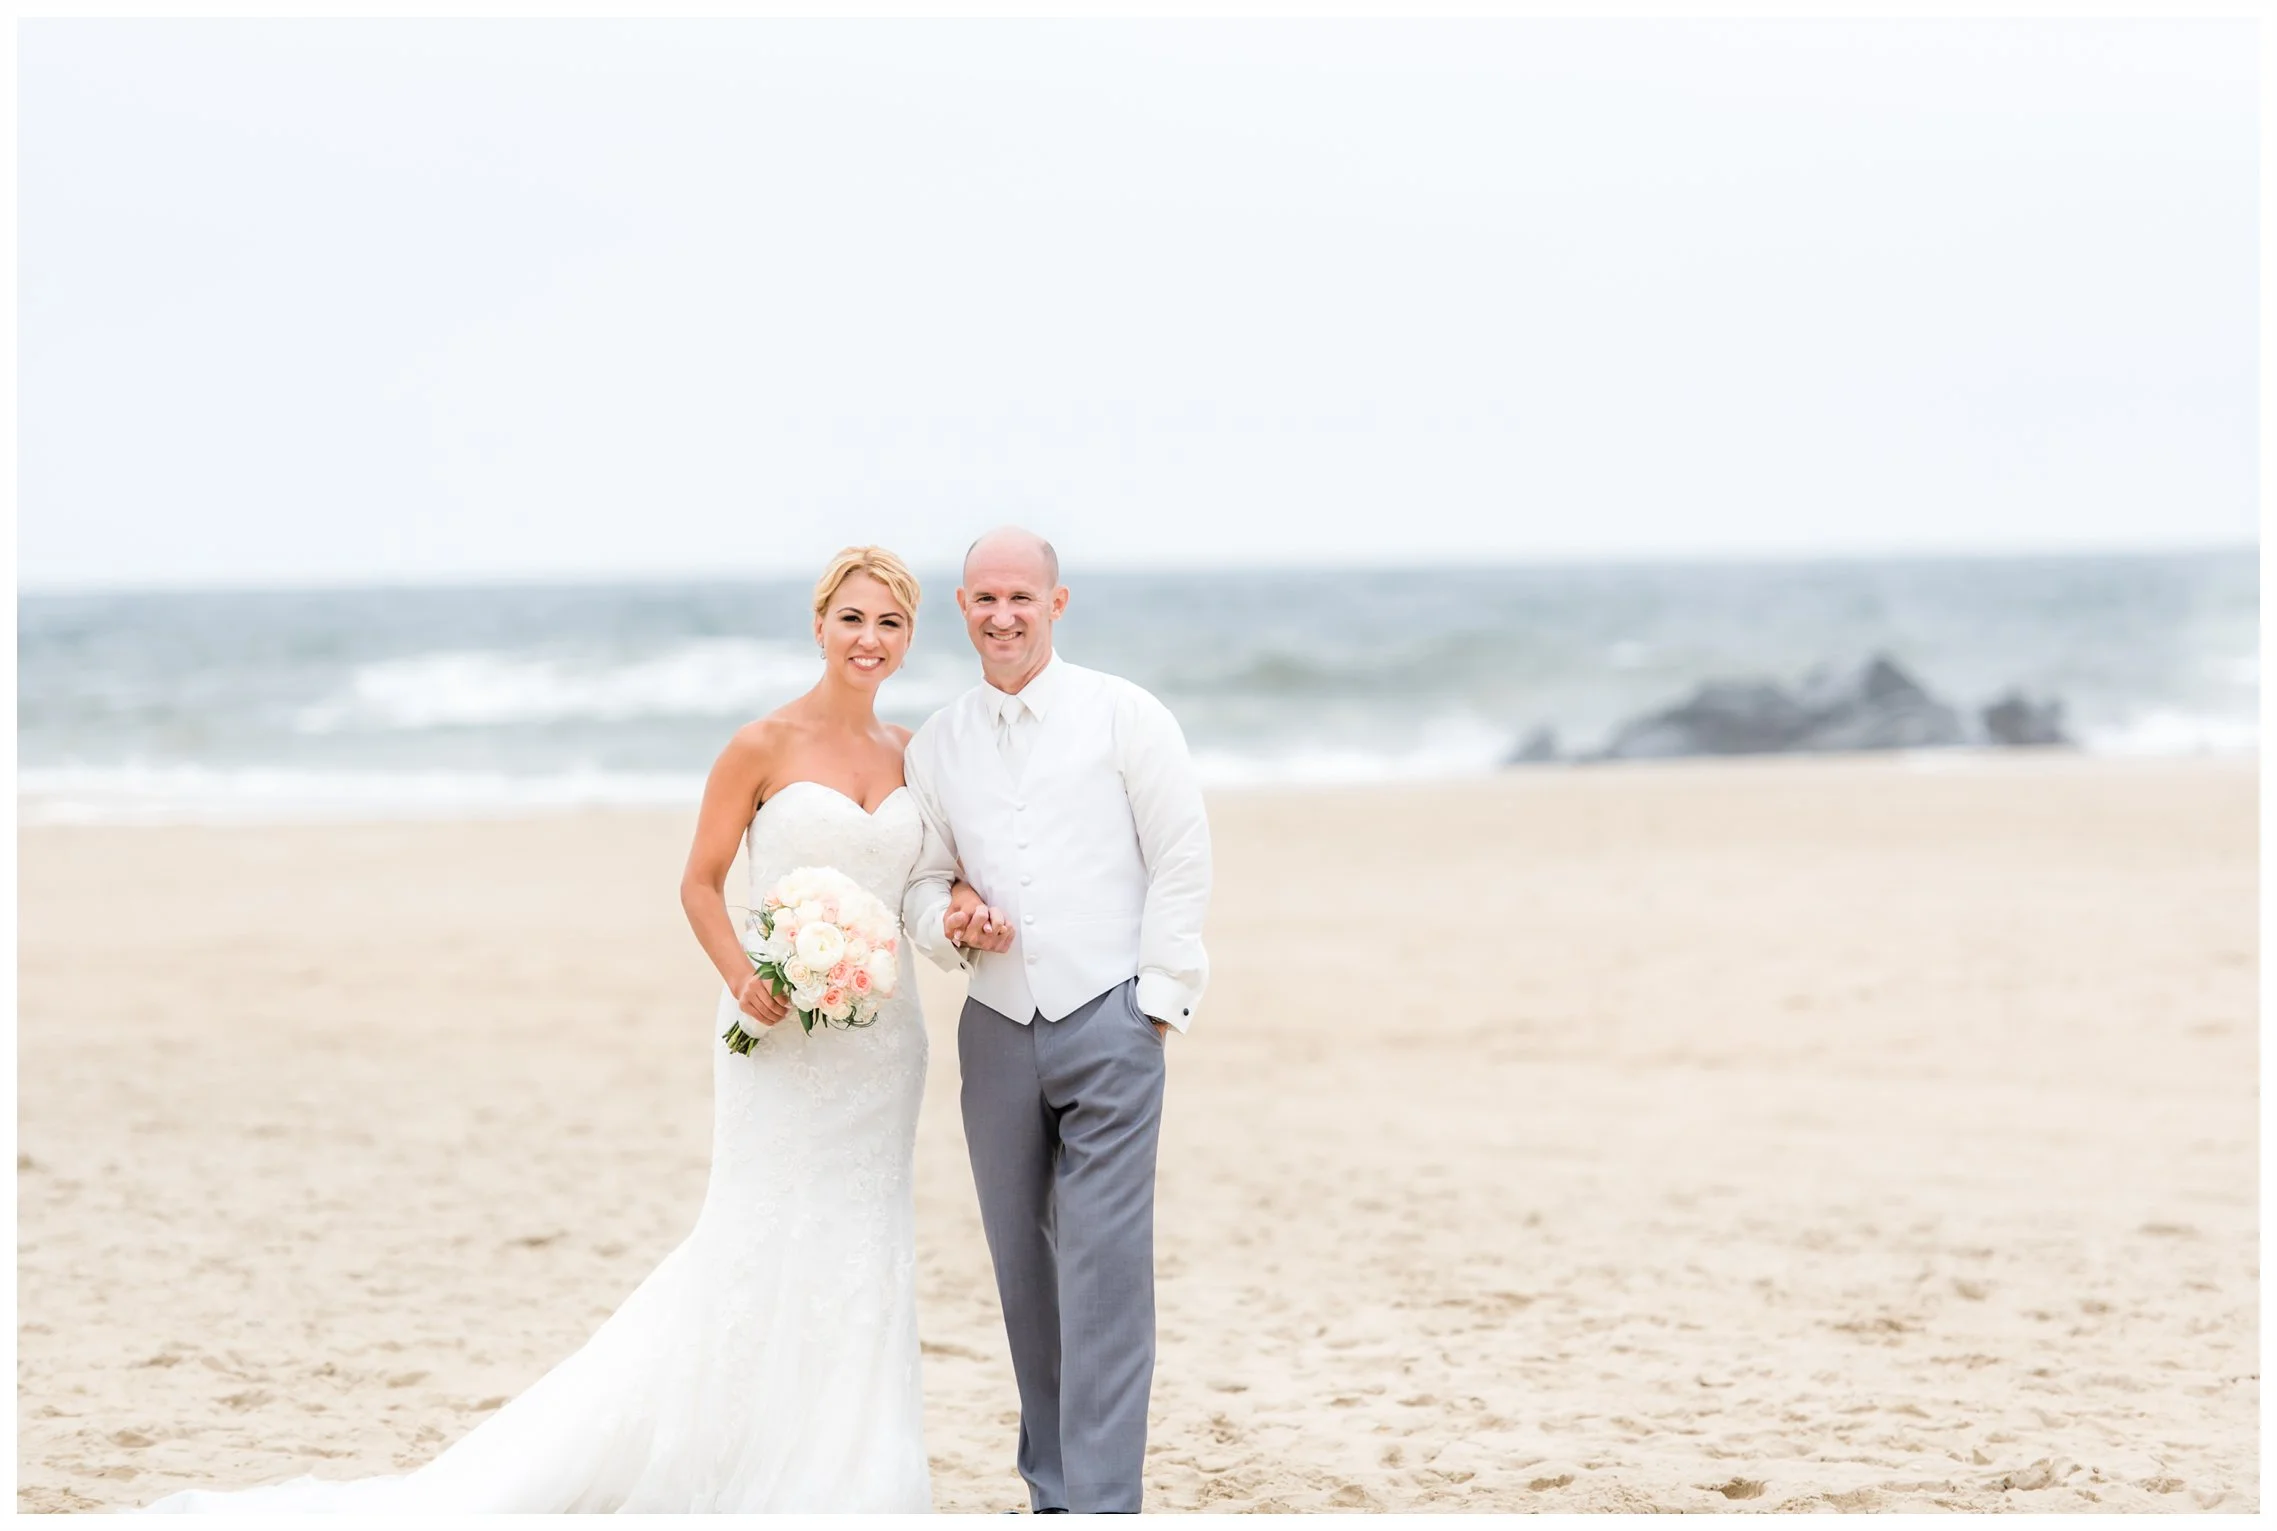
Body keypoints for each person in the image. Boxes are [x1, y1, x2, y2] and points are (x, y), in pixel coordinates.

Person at [145, 547, 942, 1513]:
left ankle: (847, 1471)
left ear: (908, 638)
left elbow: (926, 889)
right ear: (818, 626)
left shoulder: (913, 756)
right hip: (775, 1038)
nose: (868, 639)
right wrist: (745, 977)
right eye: (852, 617)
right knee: (757, 1236)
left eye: (889, 623)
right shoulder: (760, 745)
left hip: (883, 1048)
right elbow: (698, 883)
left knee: (865, 1245)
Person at [901, 526, 1212, 1515]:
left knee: (1104, 1267)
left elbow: (1181, 853)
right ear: (963, 607)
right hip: (994, 1026)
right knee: (1023, 1270)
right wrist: (948, 923)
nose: (1003, 616)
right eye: (985, 599)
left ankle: (1104, 1505)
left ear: (1056, 603)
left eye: (1021, 598)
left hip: (1110, 1018)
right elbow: (922, 879)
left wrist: (1157, 1001)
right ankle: (1054, 1493)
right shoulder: (937, 742)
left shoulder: (1126, 715)